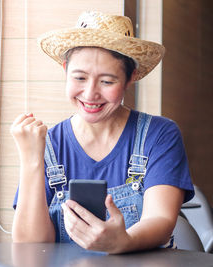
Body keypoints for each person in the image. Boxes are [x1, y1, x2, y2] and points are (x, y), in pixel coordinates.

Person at [10, 11, 194, 254]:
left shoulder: (159, 135)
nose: (90, 94)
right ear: (65, 70)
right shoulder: (48, 144)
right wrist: (31, 160)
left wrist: (123, 241)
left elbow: (161, 220)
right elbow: (30, 249)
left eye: (107, 82)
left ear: (131, 78)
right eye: (80, 77)